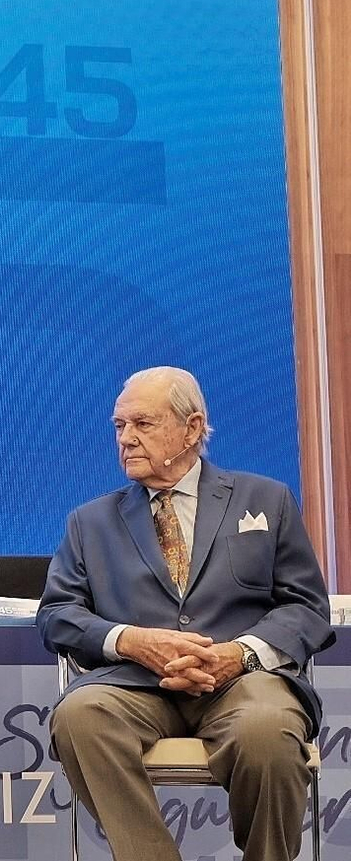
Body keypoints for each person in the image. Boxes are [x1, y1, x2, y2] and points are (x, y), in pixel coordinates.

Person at [38, 366, 334, 861]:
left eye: (142, 425)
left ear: (192, 428)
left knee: (267, 731)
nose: (126, 439)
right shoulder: (90, 522)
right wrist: (133, 641)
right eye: (119, 426)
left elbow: (307, 607)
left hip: (243, 682)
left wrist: (239, 655)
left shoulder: (267, 500)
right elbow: (56, 616)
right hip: (135, 684)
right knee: (78, 716)